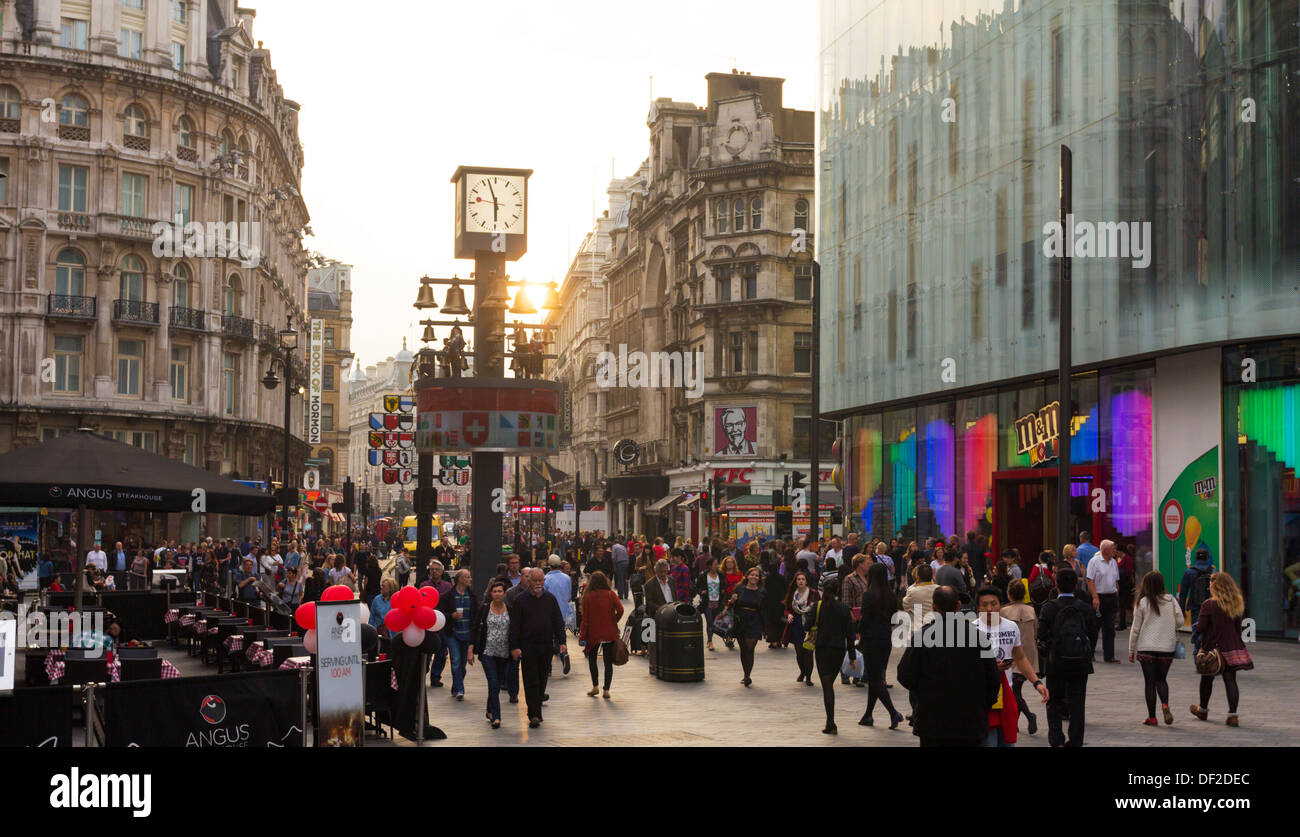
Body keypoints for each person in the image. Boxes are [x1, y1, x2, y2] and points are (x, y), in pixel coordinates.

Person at [897, 586, 1001, 747]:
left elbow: (904, 675)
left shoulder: (923, 636)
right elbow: (993, 678)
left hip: (933, 721)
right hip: (970, 721)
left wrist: (923, 693)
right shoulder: (978, 636)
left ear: (933, 606)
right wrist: (982, 704)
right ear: (958, 606)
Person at [974, 586, 1049, 747]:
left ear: (1001, 605)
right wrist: (991, 669)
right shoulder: (972, 630)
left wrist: (1037, 682)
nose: (989, 609)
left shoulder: (1011, 627)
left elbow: (1020, 658)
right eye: (984, 605)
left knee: (1008, 741)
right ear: (978, 607)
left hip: (1007, 695)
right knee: (989, 742)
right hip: (983, 697)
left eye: (993, 604)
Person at [1039, 568, 1100, 747]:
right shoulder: (1085, 608)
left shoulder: (1049, 607)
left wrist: (1051, 648)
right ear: (1076, 585)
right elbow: (1093, 633)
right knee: (1077, 703)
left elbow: (1041, 635)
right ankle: (1075, 741)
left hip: (1056, 662)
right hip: (1080, 662)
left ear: (1056, 585)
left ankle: (1056, 739)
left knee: (1054, 702)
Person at [1189, 572, 1253, 727]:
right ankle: (1233, 715)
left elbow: (1202, 627)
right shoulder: (1236, 603)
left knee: (1207, 678)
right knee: (1230, 680)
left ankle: (1203, 710)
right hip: (1232, 646)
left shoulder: (1209, 604)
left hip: (1213, 646)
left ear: (1215, 587)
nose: (1209, 587)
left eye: (1211, 585)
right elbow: (1237, 628)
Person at [509, 568, 566, 728]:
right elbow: (514, 625)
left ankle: (537, 707)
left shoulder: (550, 599)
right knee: (530, 679)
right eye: (535, 580)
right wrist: (514, 646)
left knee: (542, 679)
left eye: (541, 580)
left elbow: (558, 621)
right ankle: (533, 713)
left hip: (546, 646)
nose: (538, 583)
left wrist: (562, 641)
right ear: (529, 582)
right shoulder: (521, 600)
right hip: (528, 647)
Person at [1128, 571, 1182, 726]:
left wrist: (1131, 650)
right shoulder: (1171, 600)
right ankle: (1165, 704)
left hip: (1147, 648)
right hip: (1167, 648)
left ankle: (1152, 717)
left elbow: (1135, 629)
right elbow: (1180, 621)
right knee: (1161, 680)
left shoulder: (1143, 602)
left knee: (1149, 683)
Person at [857, 563, 904, 728]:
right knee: (876, 677)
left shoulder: (869, 595)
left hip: (871, 639)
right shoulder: (891, 595)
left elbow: (865, 618)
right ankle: (868, 715)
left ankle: (893, 712)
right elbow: (894, 616)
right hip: (885, 638)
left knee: (875, 679)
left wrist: (858, 631)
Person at [807, 578, 855, 734]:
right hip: (838, 649)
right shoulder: (844, 608)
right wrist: (852, 656)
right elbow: (850, 634)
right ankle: (830, 723)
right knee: (830, 684)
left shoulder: (817, 606)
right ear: (837, 591)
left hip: (822, 649)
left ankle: (831, 722)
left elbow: (806, 625)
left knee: (827, 686)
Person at [469, 580, 512, 728]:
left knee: (497, 684)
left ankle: (489, 710)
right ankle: (497, 717)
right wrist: (471, 650)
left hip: (504, 653)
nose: (497, 594)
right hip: (487, 652)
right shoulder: (484, 609)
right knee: (493, 682)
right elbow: (475, 628)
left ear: (504, 593)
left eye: (500, 591)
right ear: (490, 594)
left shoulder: (510, 610)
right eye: (495, 591)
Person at [1001, 580, 1041, 735]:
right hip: (1029, 653)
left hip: (1012, 654)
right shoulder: (1031, 610)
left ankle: (1029, 716)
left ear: (1008, 593)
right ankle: (1016, 722)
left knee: (1013, 691)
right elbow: (1036, 631)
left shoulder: (1004, 611)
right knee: (1015, 690)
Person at [579, 571, 624, 698]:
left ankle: (595, 686)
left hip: (593, 634)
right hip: (609, 633)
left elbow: (585, 619)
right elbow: (621, 609)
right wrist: (614, 620)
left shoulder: (587, 596)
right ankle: (606, 690)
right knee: (608, 662)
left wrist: (582, 637)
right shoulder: (611, 594)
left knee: (592, 660)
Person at [434, 569, 476, 700]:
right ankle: (460, 690)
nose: (470, 579)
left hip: (467, 633)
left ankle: (456, 686)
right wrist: (451, 616)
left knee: (462, 665)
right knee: (456, 661)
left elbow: (475, 616)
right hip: (452, 633)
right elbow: (440, 613)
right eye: (468, 577)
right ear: (460, 579)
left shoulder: (472, 597)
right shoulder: (448, 596)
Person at [727, 566, 764, 686]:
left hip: (755, 621)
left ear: (759, 578)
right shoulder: (739, 589)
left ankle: (748, 675)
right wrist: (732, 600)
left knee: (750, 648)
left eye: (756, 575)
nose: (754, 577)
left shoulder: (762, 591)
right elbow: (730, 605)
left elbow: (765, 609)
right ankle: (745, 674)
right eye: (752, 575)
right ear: (747, 576)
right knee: (743, 650)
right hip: (741, 621)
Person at [1086, 539, 1121, 663]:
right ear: (1105, 550)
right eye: (1113, 548)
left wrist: (1116, 592)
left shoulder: (1113, 562)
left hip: (1111, 597)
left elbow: (1116, 579)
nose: (1115, 551)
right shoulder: (1094, 562)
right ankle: (1090, 653)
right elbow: (1090, 580)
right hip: (1099, 596)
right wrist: (1095, 597)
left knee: (1110, 627)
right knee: (1095, 626)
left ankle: (1109, 655)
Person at [782, 570, 819, 684]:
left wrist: (813, 607)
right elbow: (787, 608)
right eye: (799, 579)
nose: (801, 581)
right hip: (796, 624)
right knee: (799, 653)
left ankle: (808, 677)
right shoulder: (793, 593)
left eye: (803, 579)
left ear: (807, 581)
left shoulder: (813, 593)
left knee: (808, 652)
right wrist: (788, 614)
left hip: (809, 624)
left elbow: (819, 606)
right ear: (795, 581)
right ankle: (802, 671)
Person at [1179, 547, 1216, 655]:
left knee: (1197, 630)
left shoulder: (1189, 572)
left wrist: (1182, 610)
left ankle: (1198, 656)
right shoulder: (1214, 571)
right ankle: (1210, 656)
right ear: (1207, 558)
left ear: (1195, 558)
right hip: (1212, 607)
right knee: (1210, 631)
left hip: (1196, 607)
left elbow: (1183, 593)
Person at [697, 556, 727, 652]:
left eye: (717, 564)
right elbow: (697, 587)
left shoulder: (721, 575)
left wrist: (723, 591)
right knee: (709, 622)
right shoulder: (703, 575)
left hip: (718, 602)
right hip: (707, 602)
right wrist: (701, 591)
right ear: (709, 566)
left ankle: (713, 638)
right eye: (714, 564)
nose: (717, 566)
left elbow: (724, 586)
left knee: (715, 622)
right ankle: (710, 641)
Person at [762, 554, 789, 648]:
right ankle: (779, 640)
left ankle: (772, 641)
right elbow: (786, 590)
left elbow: (764, 591)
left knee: (771, 623)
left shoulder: (767, 579)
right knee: (780, 622)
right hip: (780, 603)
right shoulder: (782, 578)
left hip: (769, 604)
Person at [1117, 544, 1137, 629]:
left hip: (1125, 584)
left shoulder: (1127, 559)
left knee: (1123, 604)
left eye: (1116, 551)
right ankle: (1121, 622)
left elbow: (1129, 572)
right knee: (1120, 604)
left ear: (1120, 551)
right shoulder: (1117, 559)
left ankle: (1122, 623)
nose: (1115, 552)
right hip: (1118, 584)